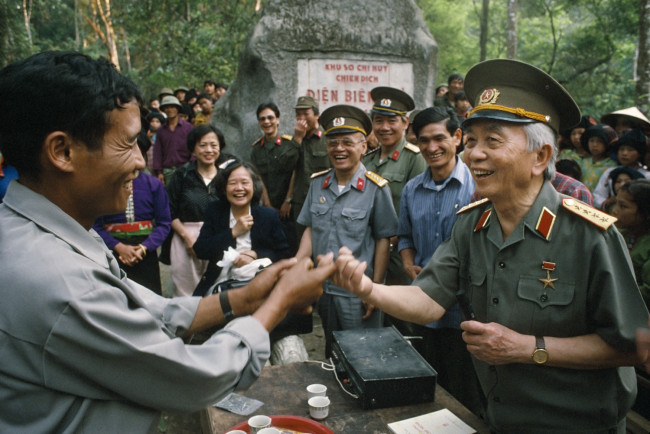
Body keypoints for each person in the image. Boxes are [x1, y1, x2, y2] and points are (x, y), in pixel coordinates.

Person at [0, 50, 335, 433]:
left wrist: (247, 297)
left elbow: (152, 311)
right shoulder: (56, 281)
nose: (141, 162)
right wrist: (279, 303)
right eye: (127, 144)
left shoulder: (53, 232)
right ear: (62, 152)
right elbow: (193, 378)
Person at [332, 59, 649, 433]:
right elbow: (429, 299)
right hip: (499, 419)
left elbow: (632, 347)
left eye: (492, 141)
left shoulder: (590, 235)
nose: (472, 154)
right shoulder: (472, 224)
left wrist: (528, 348)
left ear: (541, 157)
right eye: (471, 141)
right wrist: (369, 288)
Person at [397, 107, 482, 415]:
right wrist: (408, 263)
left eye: (439, 139)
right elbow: (404, 236)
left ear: (457, 137)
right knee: (428, 386)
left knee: (465, 390)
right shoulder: (411, 189)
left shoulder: (477, 185)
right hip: (423, 305)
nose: (431, 148)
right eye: (423, 141)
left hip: (464, 308)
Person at [296, 105, 398, 357]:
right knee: (331, 352)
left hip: (357, 291)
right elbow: (310, 229)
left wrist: (374, 289)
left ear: (363, 146)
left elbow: (383, 239)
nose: (339, 149)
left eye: (347, 142)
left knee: (364, 354)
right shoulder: (318, 184)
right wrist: (298, 269)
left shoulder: (376, 188)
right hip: (324, 288)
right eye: (332, 143)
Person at [193, 159, 290, 296]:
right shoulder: (215, 211)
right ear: (224, 187)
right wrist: (233, 232)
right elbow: (200, 250)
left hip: (260, 286)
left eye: (245, 183)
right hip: (220, 286)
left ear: (254, 186)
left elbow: (284, 254)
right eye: (232, 183)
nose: (239, 188)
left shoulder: (268, 216)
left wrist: (255, 254)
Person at [363, 86, 427, 287]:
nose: (384, 127)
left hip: (399, 255)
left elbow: (419, 211)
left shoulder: (414, 158)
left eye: (392, 121)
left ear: (405, 123)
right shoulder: (367, 160)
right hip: (366, 250)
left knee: (400, 313)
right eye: (378, 121)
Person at [93, 134, 172, 294]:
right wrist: (119, 247)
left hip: (145, 253)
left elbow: (164, 223)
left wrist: (144, 248)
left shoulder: (153, 184)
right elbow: (95, 224)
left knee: (149, 298)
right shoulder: (104, 185)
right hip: (111, 252)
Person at [166, 124, 225, 297]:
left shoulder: (226, 177)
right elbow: (169, 211)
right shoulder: (182, 175)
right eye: (202, 145)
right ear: (193, 149)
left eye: (214, 145)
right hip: (185, 238)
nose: (209, 150)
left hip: (218, 237)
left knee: (216, 289)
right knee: (186, 291)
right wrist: (187, 237)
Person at [250, 101, 299, 252]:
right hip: (267, 206)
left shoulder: (289, 144)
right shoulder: (256, 149)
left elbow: (295, 172)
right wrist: (268, 205)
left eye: (270, 118)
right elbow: (258, 178)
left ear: (277, 120)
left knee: (291, 245)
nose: (266, 122)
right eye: (262, 119)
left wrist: (288, 200)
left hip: (289, 207)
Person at [287, 96, 331, 242]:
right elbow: (286, 166)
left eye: (306, 114)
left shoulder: (327, 139)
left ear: (317, 114)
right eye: (298, 115)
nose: (302, 118)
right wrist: (297, 140)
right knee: (302, 241)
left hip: (324, 200)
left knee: (323, 241)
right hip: (301, 201)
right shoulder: (295, 140)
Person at [612, 179, 650, 309]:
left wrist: (611, 291)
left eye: (623, 206)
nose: (615, 211)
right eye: (616, 204)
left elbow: (647, 292)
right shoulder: (619, 234)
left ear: (646, 214)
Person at [592, 128, 650, 209]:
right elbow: (597, 195)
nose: (624, 153)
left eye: (630, 150)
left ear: (639, 153)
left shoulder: (646, 176)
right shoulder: (610, 172)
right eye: (621, 149)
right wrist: (608, 202)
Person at [153, 95, 194, 185]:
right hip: (167, 171)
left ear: (177, 109)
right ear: (163, 110)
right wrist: (159, 172)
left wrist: (191, 166)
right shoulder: (161, 130)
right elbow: (157, 152)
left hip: (185, 168)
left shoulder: (188, 127)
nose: (170, 110)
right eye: (167, 107)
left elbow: (194, 148)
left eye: (172, 107)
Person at [579, 124, 617, 191]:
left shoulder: (611, 165)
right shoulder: (584, 162)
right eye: (591, 141)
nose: (594, 145)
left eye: (600, 141)